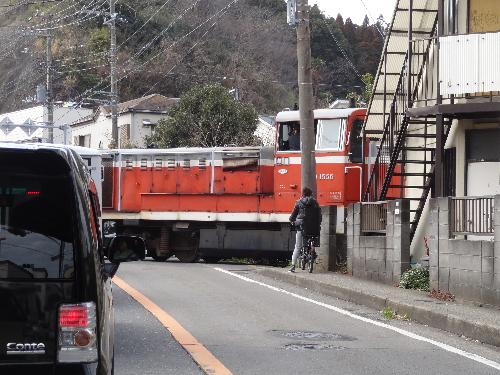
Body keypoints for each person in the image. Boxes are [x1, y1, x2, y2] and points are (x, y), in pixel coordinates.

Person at [288, 187, 320, 272]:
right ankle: (312, 251)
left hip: (301, 226)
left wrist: (291, 220)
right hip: (313, 226)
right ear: (311, 193)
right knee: (312, 238)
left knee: (298, 246)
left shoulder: (299, 202)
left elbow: (293, 214)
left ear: (303, 194)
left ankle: (293, 266)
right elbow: (319, 214)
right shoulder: (315, 202)